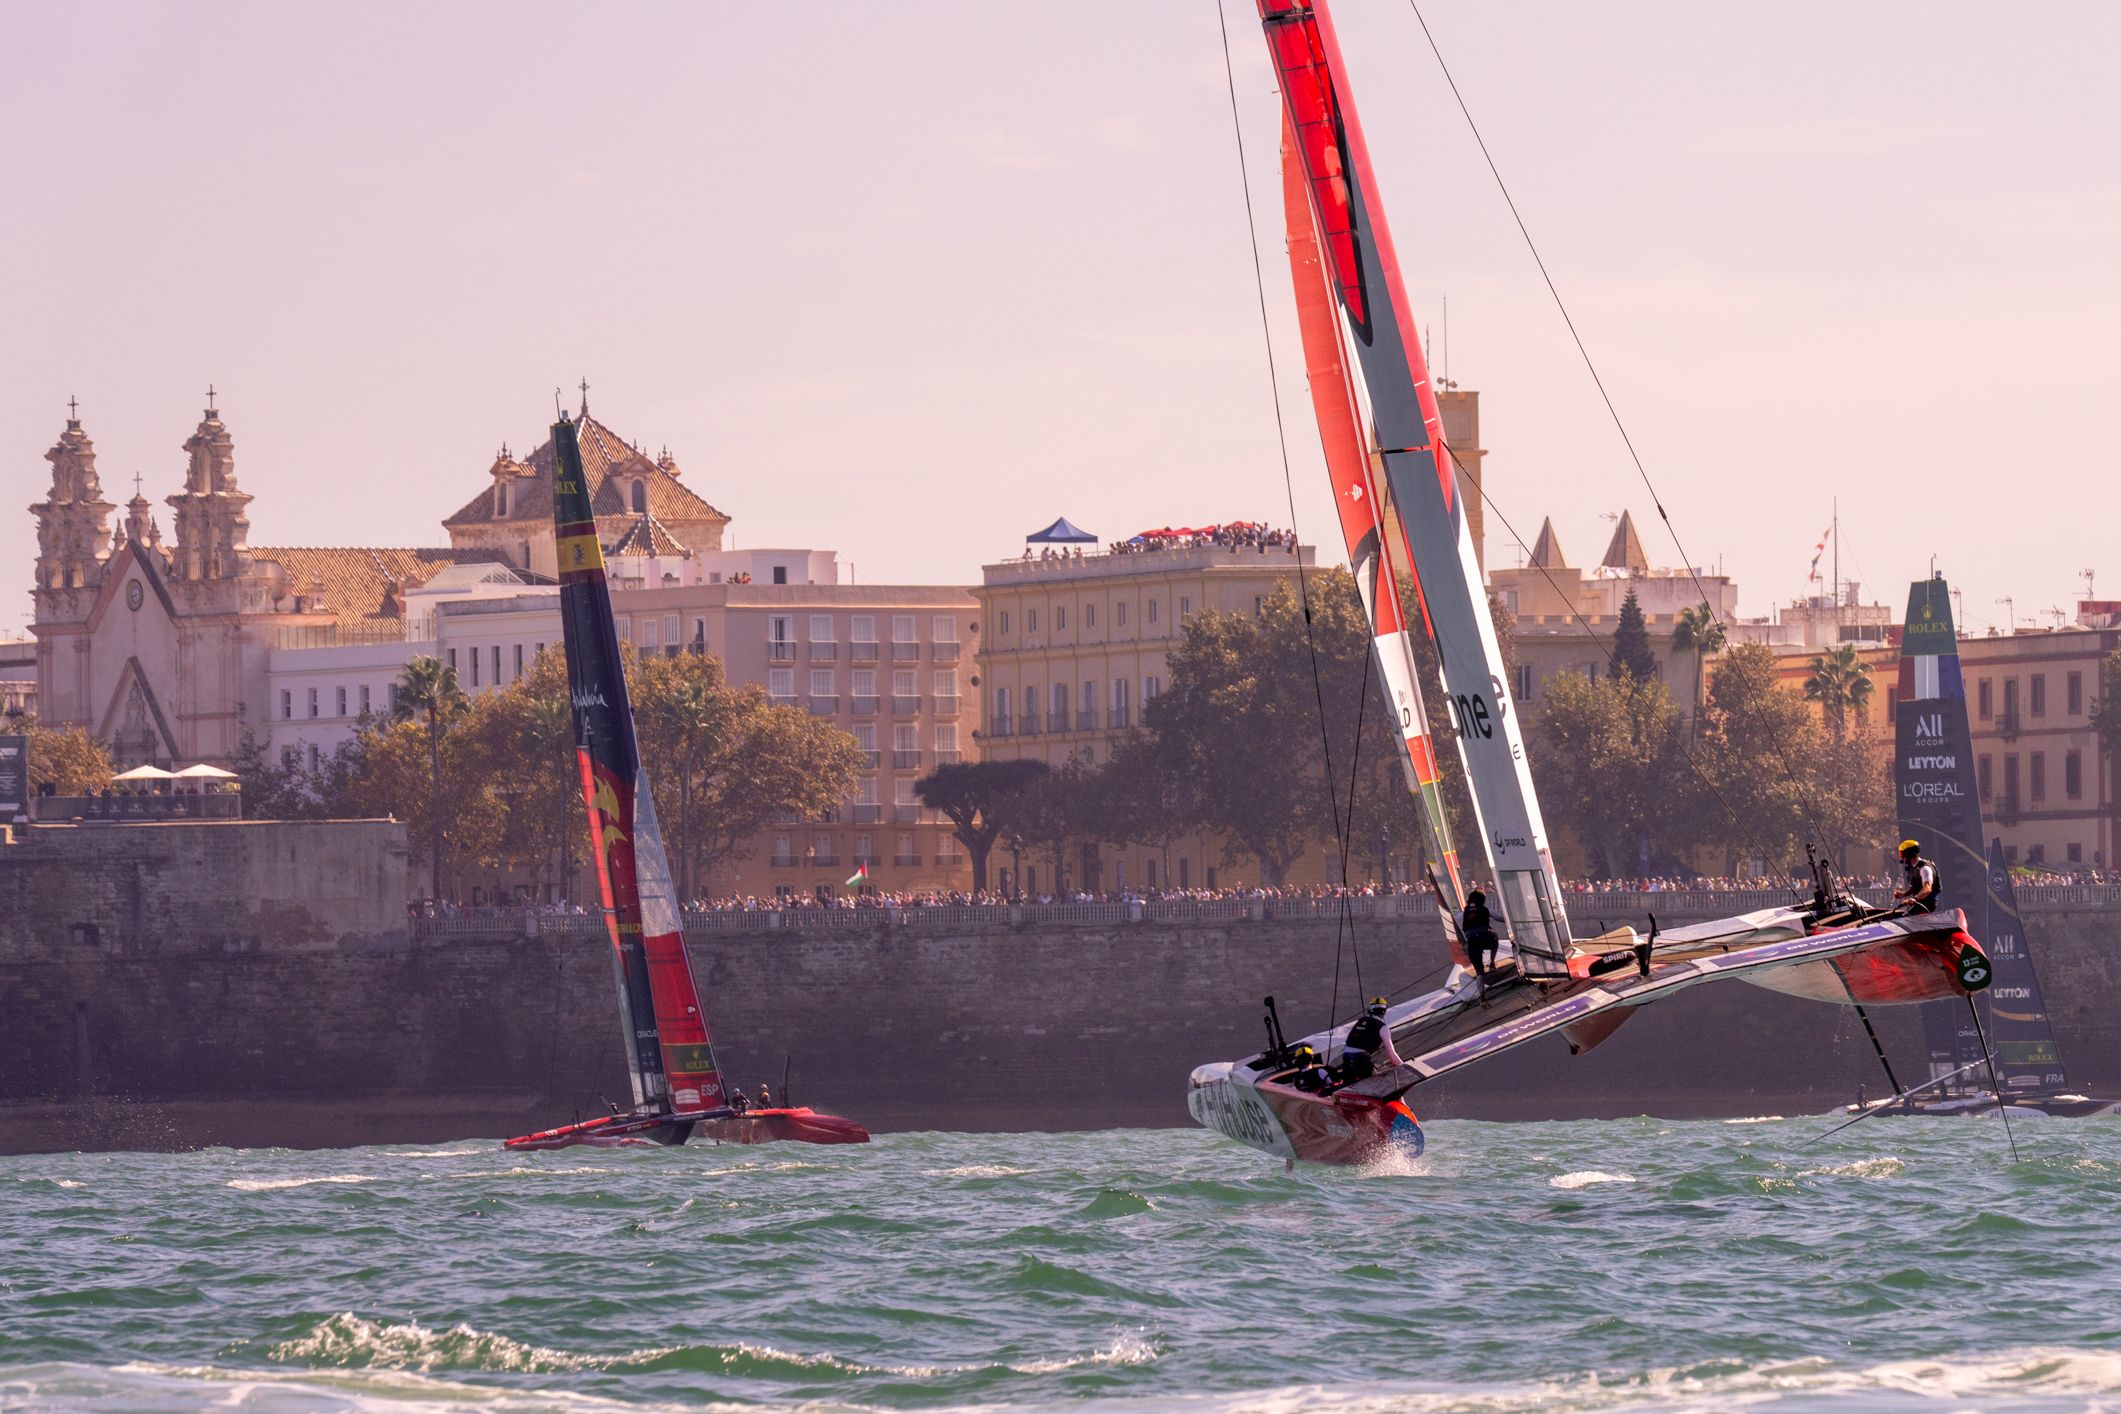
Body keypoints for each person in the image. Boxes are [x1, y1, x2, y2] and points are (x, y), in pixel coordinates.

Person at [1339, 997, 1403, 1084]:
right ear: (1384, 1011)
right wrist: (1403, 1066)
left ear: (1371, 1009)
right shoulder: (1383, 1027)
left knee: (1348, 1084)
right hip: (1361, 1059)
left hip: (1346, 1057)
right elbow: (1392, 1056)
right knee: (1373, 1084)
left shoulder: (1362, 1021)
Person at [1462, 889, 1501, 980]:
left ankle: (1481, 991)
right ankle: (1492, 963)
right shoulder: (1485, 909)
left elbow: (1459, 922)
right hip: (1484, 939)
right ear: (1482, 900)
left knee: (1479, 973)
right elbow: (1499, 918)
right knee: (1494, 937)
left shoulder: (1465, 911)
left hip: (1471, 943)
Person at [1894, 840, 1940, 914]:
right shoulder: (1914, 868)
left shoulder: (1924, 868)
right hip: (1919, 903)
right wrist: (1903, 894)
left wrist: (1915, 898)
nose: (1902, 858)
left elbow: (1927, 888)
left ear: (1909, 853)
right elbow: (1916, 887)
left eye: (1902, 854)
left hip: (1927, 905)